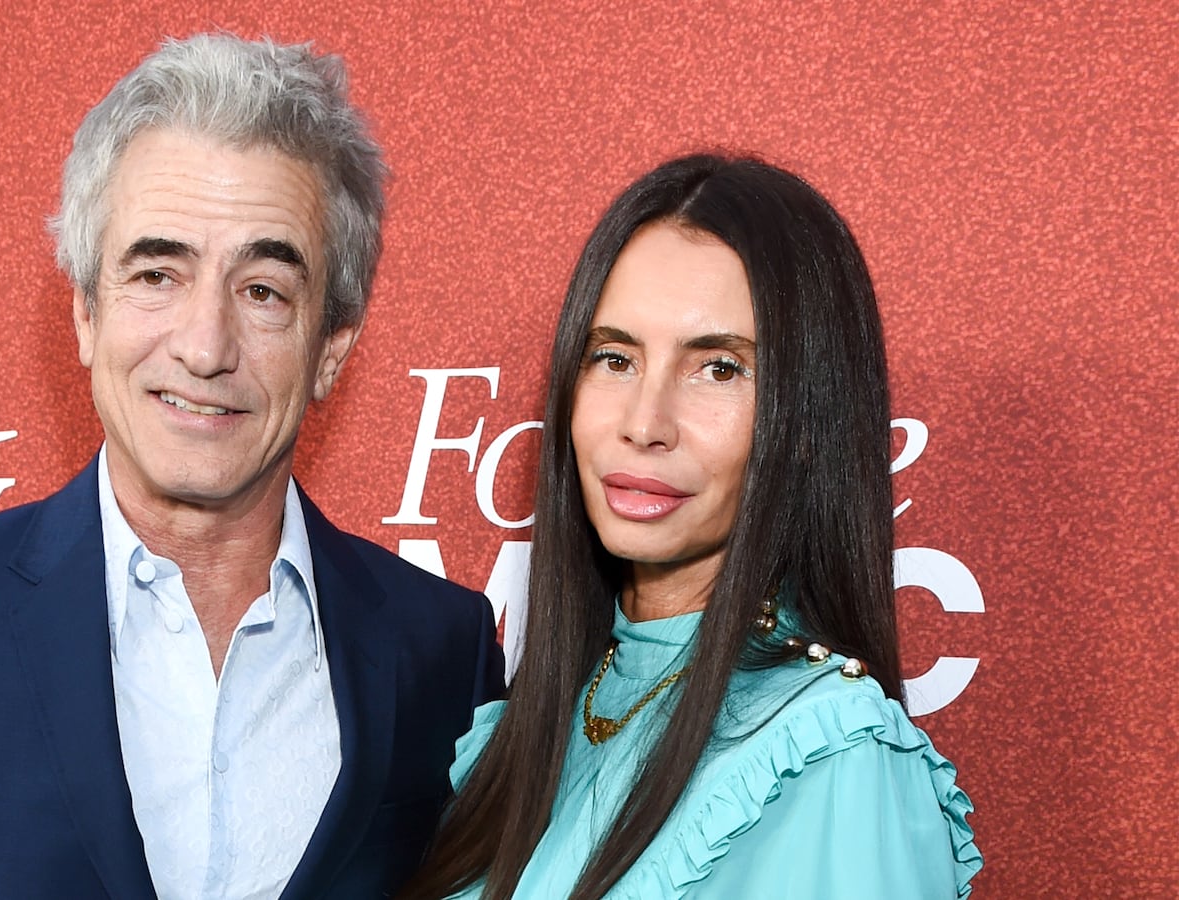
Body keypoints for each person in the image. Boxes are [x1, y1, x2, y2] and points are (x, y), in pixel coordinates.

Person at [0, 33, 503, 900]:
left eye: (263, 290)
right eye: (157, 274)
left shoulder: (442, 652)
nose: (203, 346)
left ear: (332, 347)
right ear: (85, 311)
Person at [402, 155, 980, 899]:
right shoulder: (521, 733)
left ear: (809, 422)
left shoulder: (836, 760)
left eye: (720, 369)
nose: (644, 423)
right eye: (614, 357)